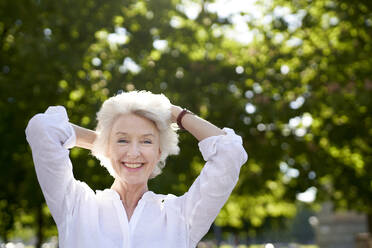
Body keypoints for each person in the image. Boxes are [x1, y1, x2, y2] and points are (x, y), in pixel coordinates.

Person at [25, 90, 247, 248]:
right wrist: (106, 147)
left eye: (146, 141)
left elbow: (230, 153)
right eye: (123, 141)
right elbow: (43, 129)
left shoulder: (181, 217)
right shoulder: (76, 206)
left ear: (159, 152)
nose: (133, 152)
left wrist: (175, 113)